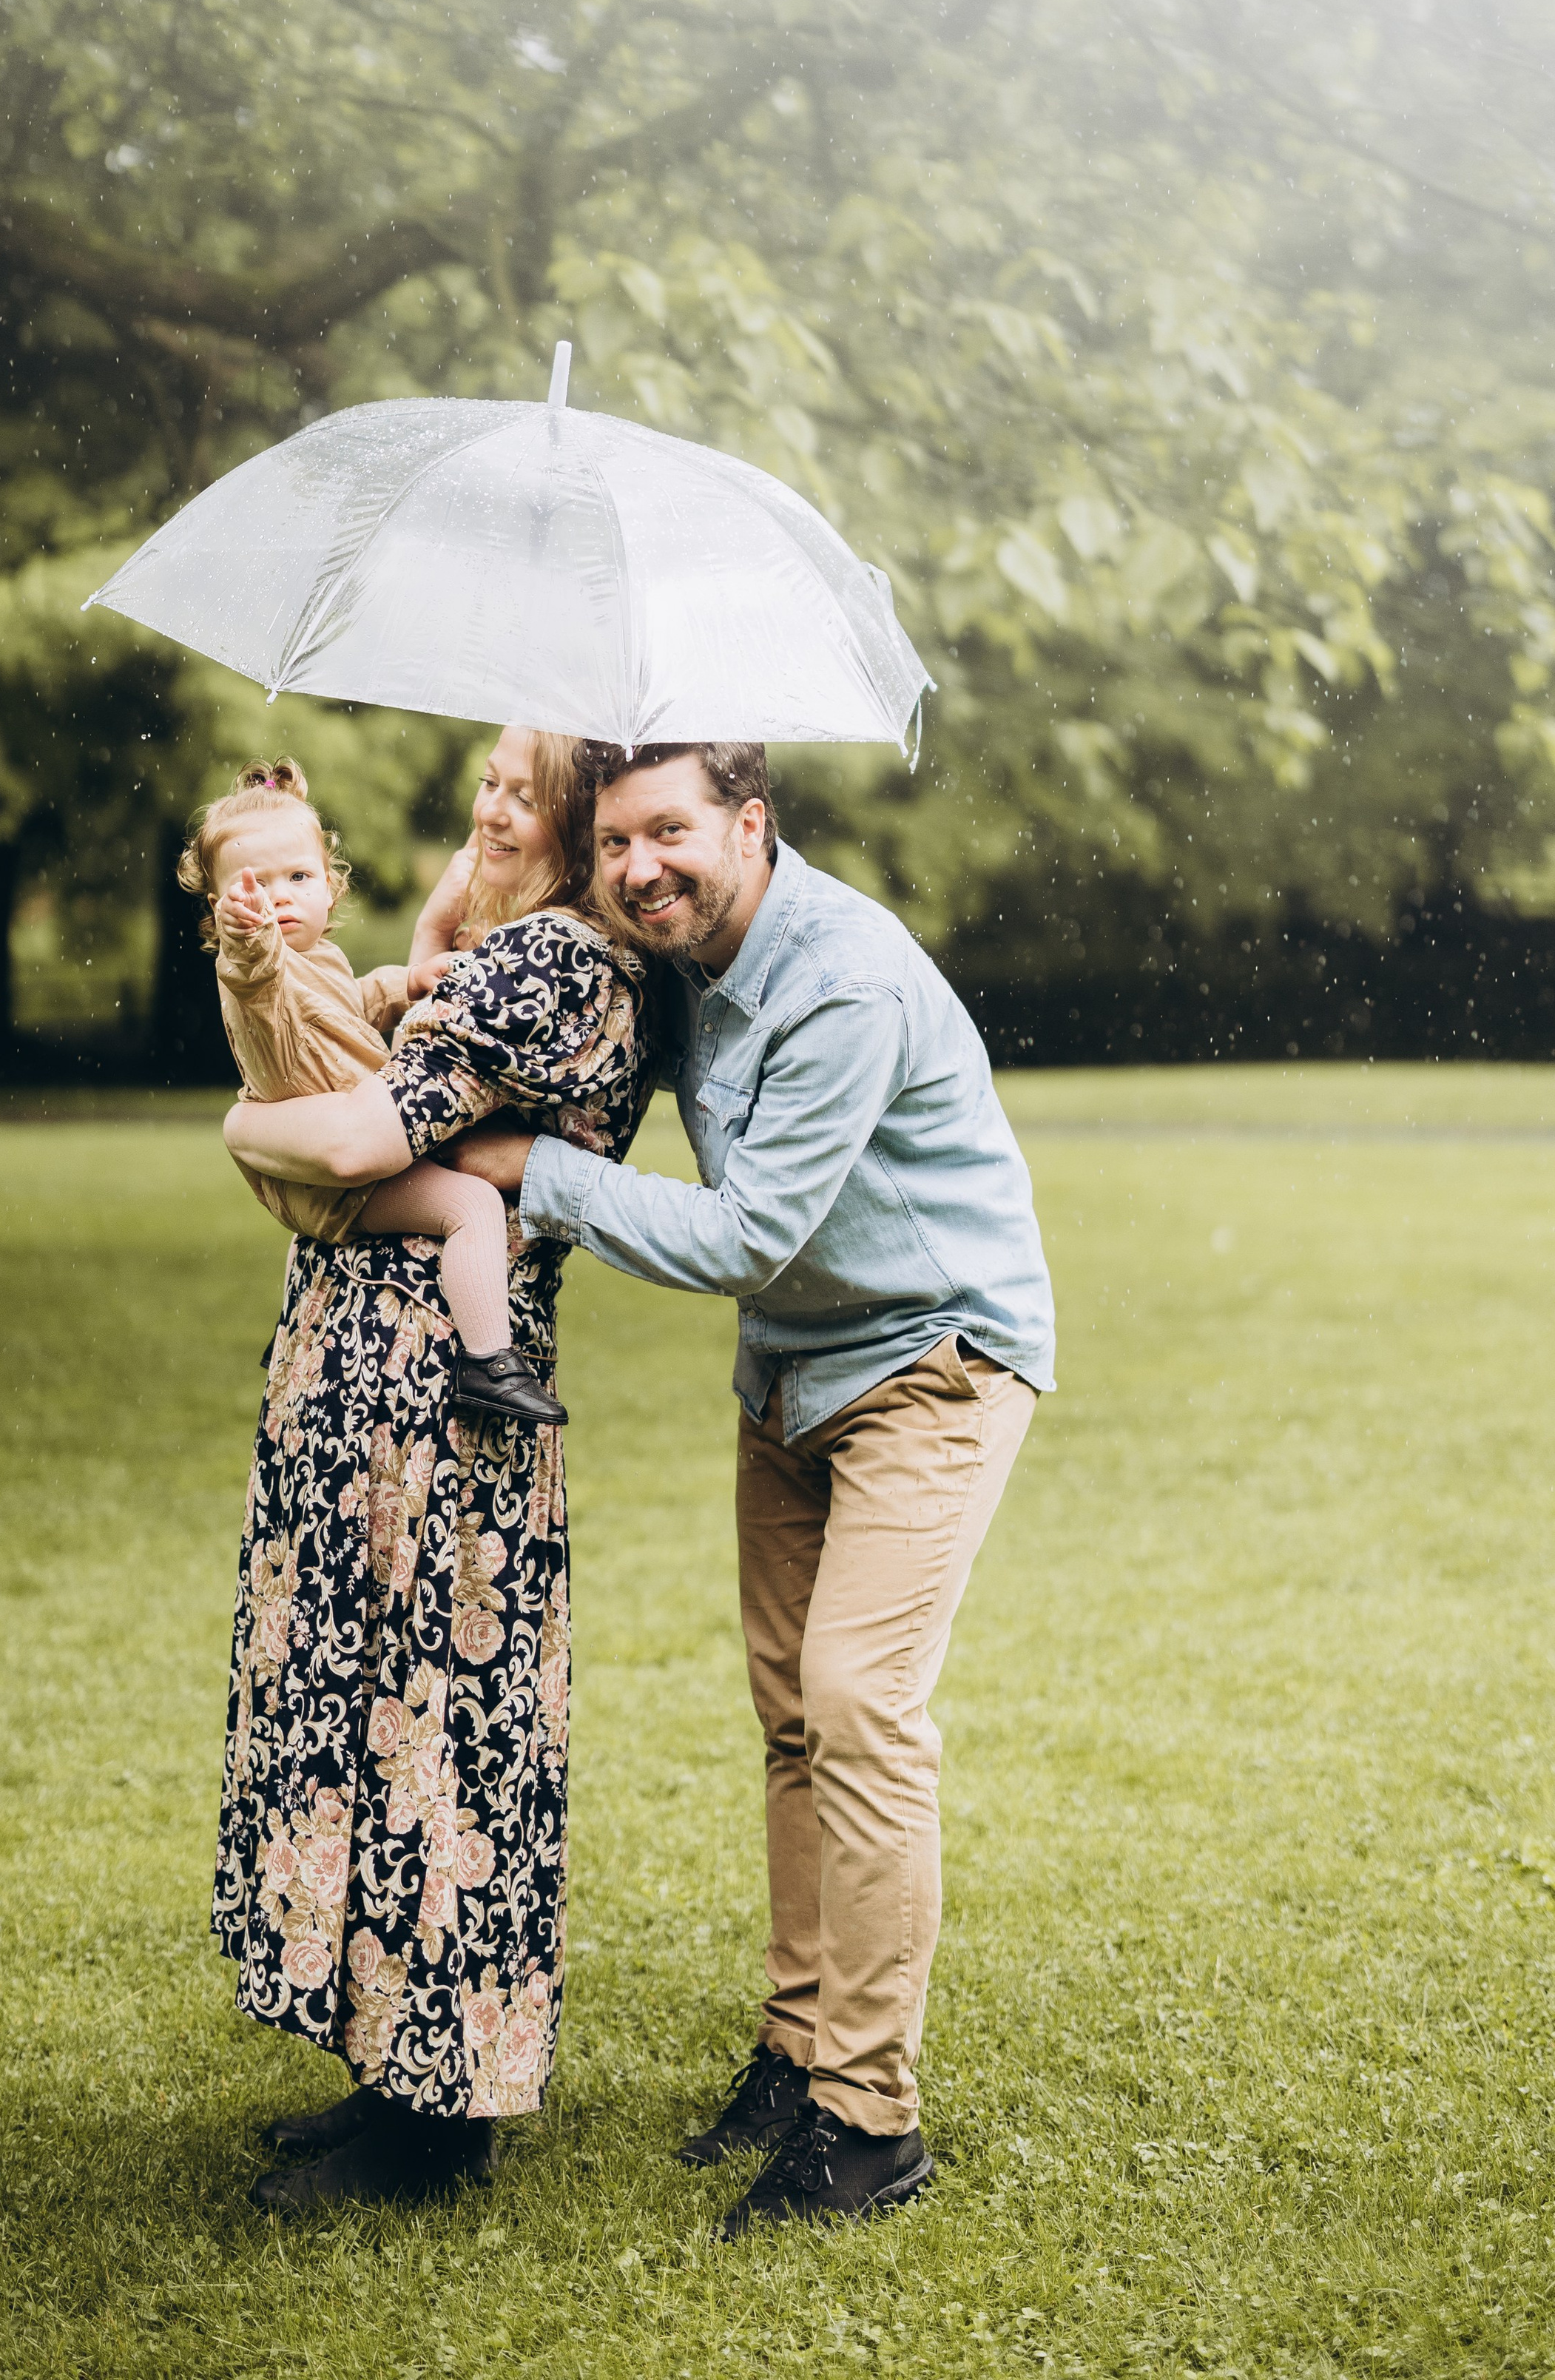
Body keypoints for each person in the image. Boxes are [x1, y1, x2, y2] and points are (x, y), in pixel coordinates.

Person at [444, 740, 1056, 2238]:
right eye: (614, 844)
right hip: (788, 1376)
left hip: (934, 1353)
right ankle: (796, 2051)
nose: (639, 866)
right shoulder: (671, 961)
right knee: (790, 1719)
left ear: (750, 825)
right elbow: (527, 998)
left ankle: (867, 2117)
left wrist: (525, 1168)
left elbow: (747, 1235)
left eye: (670, 833)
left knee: (856, 1705)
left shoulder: (841, 976)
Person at [209, 727, 652, 2214]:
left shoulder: (567, 971)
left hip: (439, 1413)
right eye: (488, 786)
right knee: (362, 1710)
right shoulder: (493, 950)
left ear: (586, 822)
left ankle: (433, 2116)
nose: (490, 811)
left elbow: (360, 1136)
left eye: (524, 798)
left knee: (434, 1728)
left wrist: (239, 1124)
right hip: (360, 1380)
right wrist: (431, 937)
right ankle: (377, 2076)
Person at [181, 755, 561, 1428]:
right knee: (471, 1202)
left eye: (299, 877)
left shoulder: (317, 959)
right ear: (223, 910)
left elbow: (345, 1008)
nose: (279, 898)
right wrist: (245, 939)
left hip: (332, 1151)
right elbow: (253, 975)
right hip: (337, 1179)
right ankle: (488, 1361)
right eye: (253, 888)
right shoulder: (256, 975)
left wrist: (405, 984)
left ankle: (308, 1326)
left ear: (330, 886)